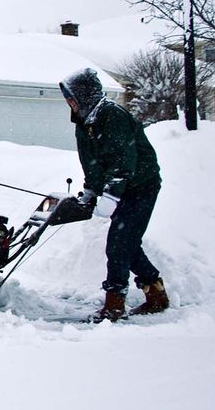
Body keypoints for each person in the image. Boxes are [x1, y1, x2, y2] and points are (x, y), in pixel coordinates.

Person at [59, 68, 170, 322]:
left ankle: (115, 305)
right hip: (122, 189)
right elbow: (93, 162)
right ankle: (155, 293)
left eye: (72, 97)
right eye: (68, 98)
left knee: (119, 244)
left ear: (85, 95)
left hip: (140, 187)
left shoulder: (112, 116)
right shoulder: (85, 121)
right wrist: (90, 190)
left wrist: (110, 196)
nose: (69, 102)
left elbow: (122, 161)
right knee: (127, 243)